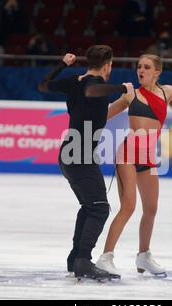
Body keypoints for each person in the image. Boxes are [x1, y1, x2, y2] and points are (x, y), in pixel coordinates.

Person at [86, 49, 172, 277]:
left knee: (151, 209)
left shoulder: (167, 92)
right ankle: (105, 257)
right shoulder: (130, 94)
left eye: (146, 67)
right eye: (139, 66)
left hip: (147, 157)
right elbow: (103, 115)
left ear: (157, 72)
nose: (141, 70)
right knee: (128, 207)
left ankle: (144, 256)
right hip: (127, 154)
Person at [38, 46, 132, 281]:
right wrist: (123, 89)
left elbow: (43, 85)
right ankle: (82, 260)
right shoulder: (92, 84)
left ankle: (75, 259)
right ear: (108, 64)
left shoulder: (73, 81)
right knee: (99, 208)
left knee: (90, 206)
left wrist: (62, 65)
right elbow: (92, 90)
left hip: (70, 153)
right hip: (79, 155)